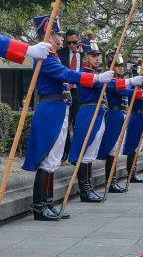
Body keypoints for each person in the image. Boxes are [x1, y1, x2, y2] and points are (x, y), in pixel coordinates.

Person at [23, 14, 113, 220]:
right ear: (47, 36)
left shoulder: (53, 56)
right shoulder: (44, 57)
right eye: (57, 35)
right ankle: (39, 207)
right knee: (47, 159)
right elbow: (66, 75)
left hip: (59, 107)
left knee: (54, 159)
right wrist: (96, 77)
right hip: (50, 109)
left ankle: (48, 203)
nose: (61, 39)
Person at [68, 39, 122, 203]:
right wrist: (124, 82)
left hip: (98, 112)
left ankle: (89, 188)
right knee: (85, 152)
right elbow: (107, 87)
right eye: (93, 56)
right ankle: (84, 190)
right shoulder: (85, 73)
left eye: (98, 55)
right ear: (85, 58)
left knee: (90, 153)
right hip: (88, 112)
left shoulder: (95, 74)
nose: (97, 58)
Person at [96, 51, 143, 193]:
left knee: (117, 148)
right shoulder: (111, 81)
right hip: (114, 114)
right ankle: (110, 181)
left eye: (122, 65)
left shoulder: (121, 81)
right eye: (117, 65)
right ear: (111, 66)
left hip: (122, 114)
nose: (121, 68)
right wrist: (137, 89)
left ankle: (113, 179)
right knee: (113, 148)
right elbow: (122, 90)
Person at [57, 29, 84, 161]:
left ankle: (76, 153)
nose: (72, 45)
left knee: (78, 123)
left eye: (74, 42)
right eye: (69, 43)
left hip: (79, 93)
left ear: (79, 39)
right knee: (65, 122)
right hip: (65, 91)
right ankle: (65, 151)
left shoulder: (85, 54)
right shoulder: (60, 53)